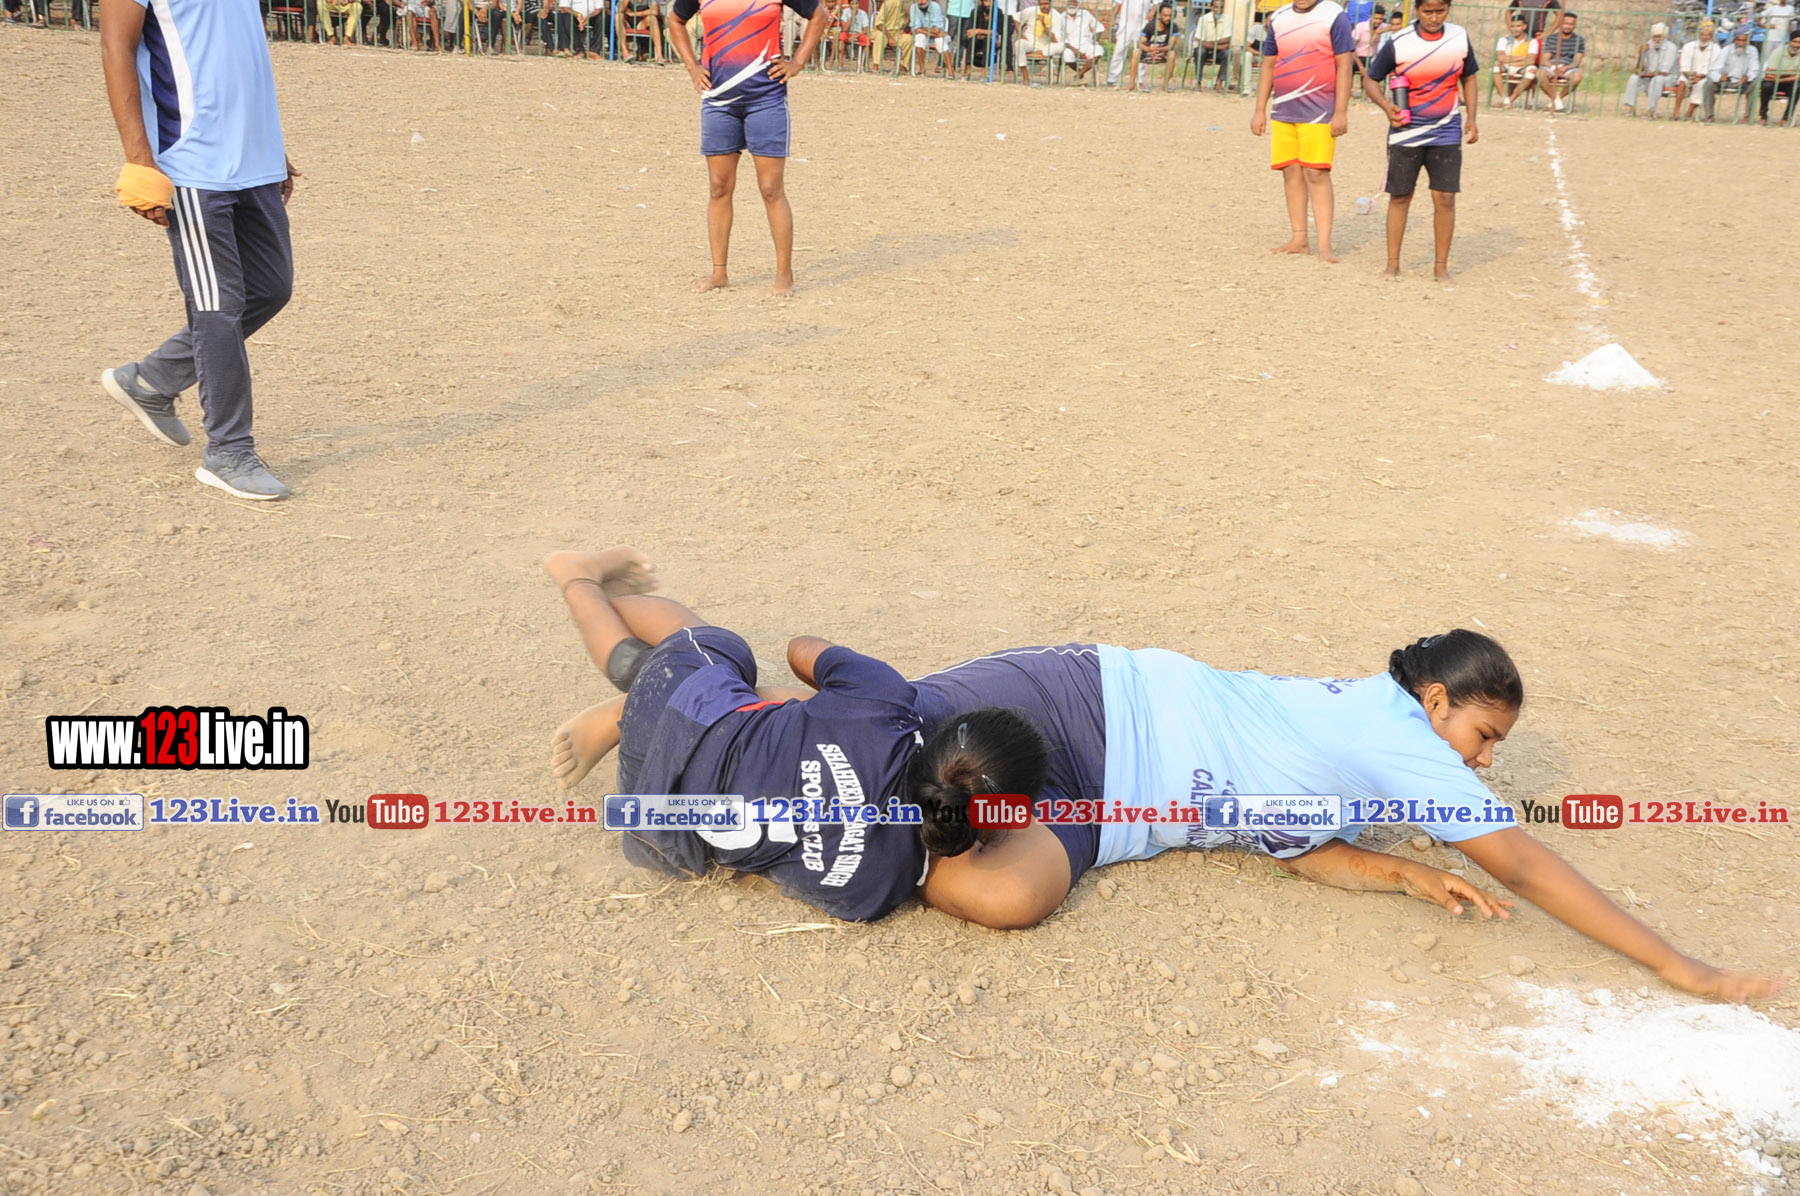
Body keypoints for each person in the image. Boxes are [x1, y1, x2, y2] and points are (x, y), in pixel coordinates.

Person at [907, 633, 1782, 1005]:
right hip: (1087, 703)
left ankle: (886, 836)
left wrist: (1401, 871)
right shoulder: (1397, 738)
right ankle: (805, 721)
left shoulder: (1375, 744)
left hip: (1112, 810)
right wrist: (1678, 964)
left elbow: (1290, 841)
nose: (1484, 761)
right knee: (889, 737)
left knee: (1007, 896)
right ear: (1434, 701)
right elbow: (1522, 864)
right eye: (1483, 736)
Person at [541, 548, 1051, 923]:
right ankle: (629, 684)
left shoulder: (883, 704)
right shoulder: (874, 894)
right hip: (655, 826)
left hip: (680, 717)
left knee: (708, 650)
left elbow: (800, 649)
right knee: (732, 714)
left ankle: (580, 580)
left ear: (944, 735)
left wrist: (850, 701)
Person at [99, 0, 298, 502]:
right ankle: (229, 451)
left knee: (271, 288)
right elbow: (116, 45)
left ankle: (152, 380)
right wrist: (139, 160)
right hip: (191, 166)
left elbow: (236, 56)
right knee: (218, 308)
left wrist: (271, 145)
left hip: (254, 158)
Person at [1363, 0, 1478, 285]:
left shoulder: (1459, 37)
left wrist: (1472, 118)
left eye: (1440, 11)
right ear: (1417, 10)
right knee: (1400, 196)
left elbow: (1469, 78)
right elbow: (1371, 79)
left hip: (1446, 131)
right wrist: (1386, 107)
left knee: (1445, 198)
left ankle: (1441, 268)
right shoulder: (1399, 41)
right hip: (1406, 132)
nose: (1434, 18)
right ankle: (1392, 265)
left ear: (1448, 9)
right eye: (1428, 12)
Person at [1251, 0, 1354, 262]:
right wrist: (1260, 109)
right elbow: (1269, 65)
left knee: (1316, 172)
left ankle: (1324, 244)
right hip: (1284, 109)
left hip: (1320, 110)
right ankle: (1299, 238)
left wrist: (1341, 111)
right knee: (1290, 171)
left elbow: (1345, 65)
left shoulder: (1334, 15)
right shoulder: (1279, 18)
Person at [1621, 22, 1677, 116]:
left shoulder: (1671, 47)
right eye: (1655, 37)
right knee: (1634, 78)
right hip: (1648, 76)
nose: (1656, 39)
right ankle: (1631, 109)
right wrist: (1641, 54)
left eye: (1659, 37)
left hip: (1667, 77)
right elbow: (1639, 68)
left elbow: (1663, 72)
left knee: (1657, 80)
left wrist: (1644, 74)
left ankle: (1651, 110)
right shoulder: (1648, 45)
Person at [1536, 10, 1583, 111]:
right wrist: (1554, 67)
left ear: (1575, 26)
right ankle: (1557, 101)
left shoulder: (1579, 40)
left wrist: (1565, 68)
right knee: (1539, 74)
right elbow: (1545, 59)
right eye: (1565, 23)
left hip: (1568, 67)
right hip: (1552, 66)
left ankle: (1557, 100)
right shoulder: (1551, 38)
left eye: (1571, 24)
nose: (1568, 26)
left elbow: (1577, 61)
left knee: (1577, 77)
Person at [1710, 28, 1762, 120]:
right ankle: (1709, 115)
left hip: (1743, 81)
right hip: (1726, 80)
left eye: (1744, 40)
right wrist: (1720, 77)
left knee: (1755, 83)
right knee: (1708, 84)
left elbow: (1755, 70)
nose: (1741, 43)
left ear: (1748, 41)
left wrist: (1748, 76)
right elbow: (1715, 69)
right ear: (1735, 40)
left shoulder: (1752, 50)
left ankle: (1747, 116)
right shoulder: (1726, 50)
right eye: (1738, 40)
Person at [1674, 19, 1721, 118]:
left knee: (1701, 85)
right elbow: (1684, 65)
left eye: (1707, 35)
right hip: (1688, 74)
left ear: (1711, 36)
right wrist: (1691, 75)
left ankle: (1689, 111)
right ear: (1698, 34)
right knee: (1682, 83)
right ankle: (1676, 111)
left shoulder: (1716, 49)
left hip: (1704, 76)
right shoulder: (1688, 46)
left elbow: (1712, 67)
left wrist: (1699, 76)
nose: (1704, 37)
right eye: (1702, 34)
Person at [1126, 1, 1177, 88]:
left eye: (1170, 16)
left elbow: (1171, 45)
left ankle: (1165, 86)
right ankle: (1132, 84)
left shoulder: (1174, 27)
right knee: (1136, 53)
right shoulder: (1150, 26)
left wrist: (1159, 49)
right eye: (1165, 15)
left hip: (1162, 52)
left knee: (1172, 54)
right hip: (1149, 51)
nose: (1168, 18)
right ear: (1159, 15)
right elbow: (1140, 43)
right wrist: (1149, 49)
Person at [1493, 14, 1538, 108]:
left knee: (1532, 70)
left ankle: (1511, 100)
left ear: (1524, 27)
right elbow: (1500, 57)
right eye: (1513, 26)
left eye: (1518, 26)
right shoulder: (1504, 40)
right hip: (1506, 66)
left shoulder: (1532, 41)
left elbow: (1531, 60)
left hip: (1523, 66)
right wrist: (1522, 57)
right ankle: (1504, 97)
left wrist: (1510, 59)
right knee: (1495, 66)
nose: (1515, 29)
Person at [1106, 0, 1154, 84]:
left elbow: (1157, 3)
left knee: (1141, 53)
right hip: (1125, 24)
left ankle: (1140, 81)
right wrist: (1114, 16)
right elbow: (1119, 3)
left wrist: (1152, 12)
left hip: (1143, 24)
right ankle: (1111, 79)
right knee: (1119, 50)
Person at [1759, 27, 1800, 122]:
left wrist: (1780, 77)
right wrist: (1792, 72)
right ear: (1789, 42)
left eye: (1799, 43)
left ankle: (1786, 118)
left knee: (1797, 88)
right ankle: (1763, 115)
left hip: (1789, 82)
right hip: (1774, 81)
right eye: (1794, 42)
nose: (1796, 45)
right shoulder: (1778, 52)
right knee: (1766, 86)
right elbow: (1770, 72)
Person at [1014, 0, 1060, 84]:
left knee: (1059, 46)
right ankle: (1026, 77)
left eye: (1046, 4)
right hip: (1030, 43)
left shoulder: (1056, 16)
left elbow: (1055, 40)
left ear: (1050, 3)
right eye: (1041, 4)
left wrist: (1044, 26)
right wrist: (1021, 35)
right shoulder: (1032, 10)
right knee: (1019, 43)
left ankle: (1040, 54)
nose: (1044, 6)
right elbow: (1016, 18)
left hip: (1045, 47)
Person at [1194, 0, 1235, 90]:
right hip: (1206, 49)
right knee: (1200, 51)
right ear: (1212, 7)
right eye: (1216, 7)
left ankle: (1219, 82)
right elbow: (1201, 41)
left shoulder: (1227, 19)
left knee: (1228, 53)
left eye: (1221, 7)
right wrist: (1218, 45)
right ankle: (1198, 81)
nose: (1218, 10)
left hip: (1219, 51)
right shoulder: (1203, 19)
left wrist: (1211, 43)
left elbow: (1227, 39)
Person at [1061, 0, 1105, 79]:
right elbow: (1061, 36)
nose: (1072, 4)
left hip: (1087, 44)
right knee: (1067, 55)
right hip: (1070, 47)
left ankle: (1080, 74)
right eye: (1070, 2)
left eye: (1074, 2)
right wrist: (1074, 50)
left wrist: (1095, 40)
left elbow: (1099, 27)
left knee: (1098, 50)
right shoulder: (1061, 17)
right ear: (1066, 3)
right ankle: (1079, 72)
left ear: (1078, 3)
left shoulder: (1085, 14)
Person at [908, 0, 950, 73]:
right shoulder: (913, 7)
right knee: (919, 38)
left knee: (940, 42)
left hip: (937, 35)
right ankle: (922, 70)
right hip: (929, 34)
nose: (921, 1)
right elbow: (916, 29)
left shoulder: (935, 6)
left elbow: (936, 29)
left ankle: (951, 71)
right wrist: (933, 32)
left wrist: (921, 29)